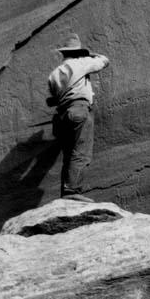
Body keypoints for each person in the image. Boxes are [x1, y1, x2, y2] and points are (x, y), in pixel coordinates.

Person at [47, 33, 109, 201]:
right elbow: (104, 61)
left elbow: (53, 98)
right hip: (79, 109)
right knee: (81, 152)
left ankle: (66, 193)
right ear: (77, 52)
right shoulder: (81, 63)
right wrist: (92, 55)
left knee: (69, 154)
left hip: (62, 116)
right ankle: (72, 191)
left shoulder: (54, 74)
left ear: (64, 53)